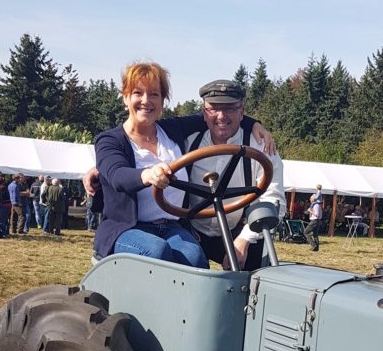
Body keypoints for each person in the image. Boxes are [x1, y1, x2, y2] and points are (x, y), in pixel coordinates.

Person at [88, 63, 273, 264]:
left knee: (195, 258)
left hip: (171, 227)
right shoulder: (110, 140)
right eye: (137, 93)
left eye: (154, 94)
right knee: (157, 252)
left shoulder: (171, 130)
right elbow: (117, 175)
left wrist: (254, 124)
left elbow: (216, 116)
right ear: (125, 97)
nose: (145, 101)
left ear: (162, 100)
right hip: (127, 228)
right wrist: (147, 174)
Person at [183, 79, 286, 270]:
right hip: (192, 232)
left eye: (229, 108)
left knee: (253, 278)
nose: (221, 116)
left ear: (241, 111)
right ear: (204, 113)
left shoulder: (261, 148)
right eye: (214, 108)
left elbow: (274, 201)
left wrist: (245, 240)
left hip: (239, 231)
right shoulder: (188, 144)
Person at [303, 185, 323, 251]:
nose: (310, 199)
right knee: (315, 235)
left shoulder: (316, 205)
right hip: (317, 221)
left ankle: (313, 245)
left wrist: (310, 211)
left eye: (311, 198)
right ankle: (316, 248)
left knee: (305, 232)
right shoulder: (317, 205)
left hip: (315, 220)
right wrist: (309, 212)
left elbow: (316, 215)